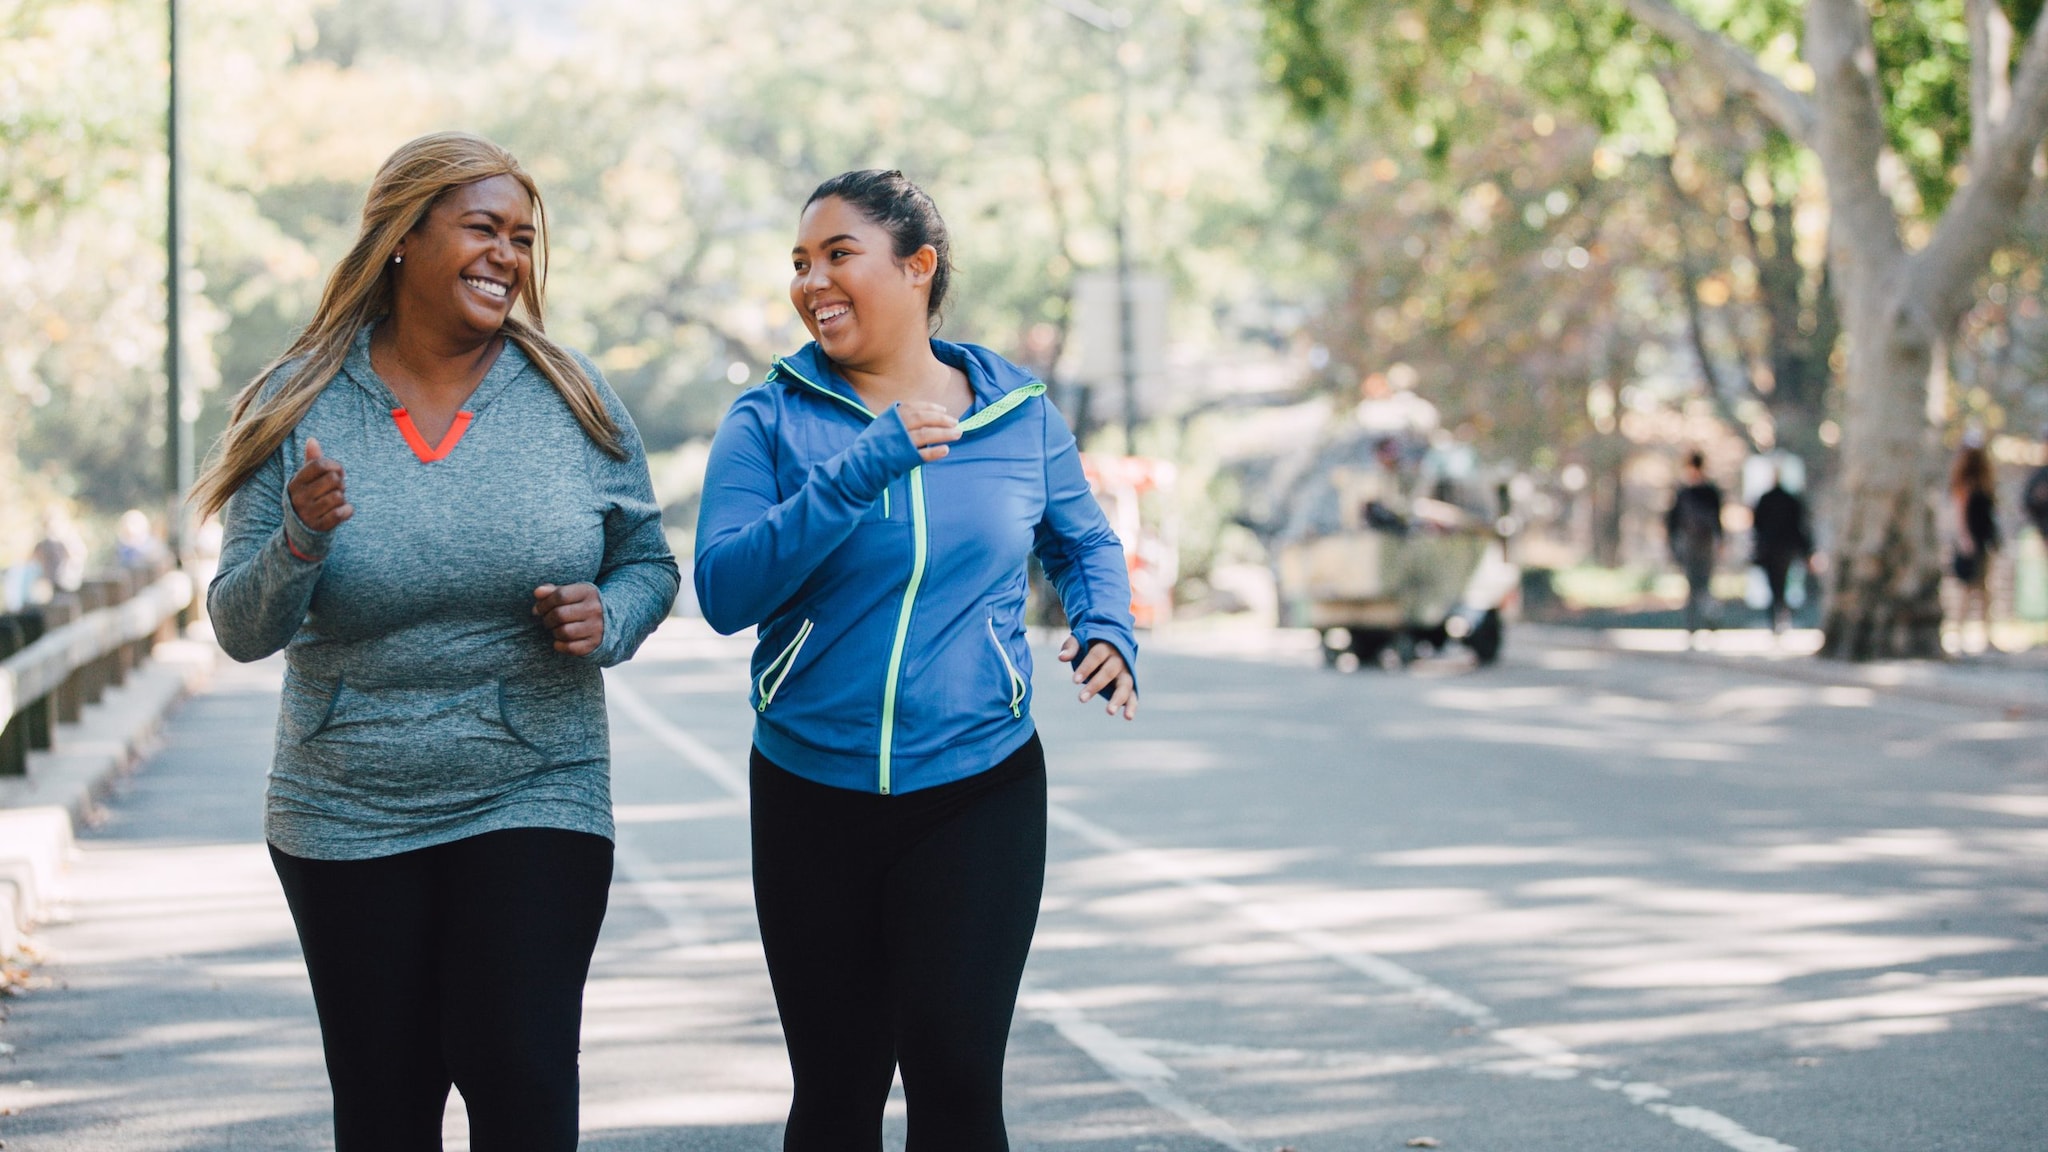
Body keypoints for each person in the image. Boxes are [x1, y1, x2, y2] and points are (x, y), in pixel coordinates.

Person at [192, 132, 679, 1151]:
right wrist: (300, 537)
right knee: (385, 1099)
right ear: (404, 238)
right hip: (346, 801)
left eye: (522, 238)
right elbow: (241, 626)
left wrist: (610, 616)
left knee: (521, 1070)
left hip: (535, 781)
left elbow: (646, 560)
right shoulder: (297, 398)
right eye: (481, 230)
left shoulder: (572, 396)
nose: (507, 255)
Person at [694, 170, 1138, 1151]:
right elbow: (724, 590)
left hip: (976, 786)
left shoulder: (1016, 415)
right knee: (838, 1090)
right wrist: (858, 471)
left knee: (955, 1080)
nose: (812, 281)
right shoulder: (769, 418)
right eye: (800, 263)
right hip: (812, 788)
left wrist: (1105, 626)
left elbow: (1083, 543)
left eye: (838, 254)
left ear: (918, 267)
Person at [1665, 449, 1723, 636]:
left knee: (1699, 583)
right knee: (1696, 583)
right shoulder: (1693, 492)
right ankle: (1697, 622)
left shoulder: (1689, 492)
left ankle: (1701, 620)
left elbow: (1673, 521)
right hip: (1696, 543)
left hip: (1698, 543)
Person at [1950, 437, 2000, 649]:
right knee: (1966, 591)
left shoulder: (1985, 483)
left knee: (1985, 591)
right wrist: (1965, 539)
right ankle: (1958, 636)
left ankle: (1986, 636)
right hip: (1970, 541)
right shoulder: (1965, 484)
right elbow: (1960, 514)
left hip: (1983, 540)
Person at [1750, 468, 1812, 634]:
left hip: (1773, 548)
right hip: (1784, 548)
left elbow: (1758, 526)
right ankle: (1779, 616)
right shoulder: (1788, 499)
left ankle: (1776, 618)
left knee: (1775, 585)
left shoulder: (1768, 499)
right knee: (1780, 584)